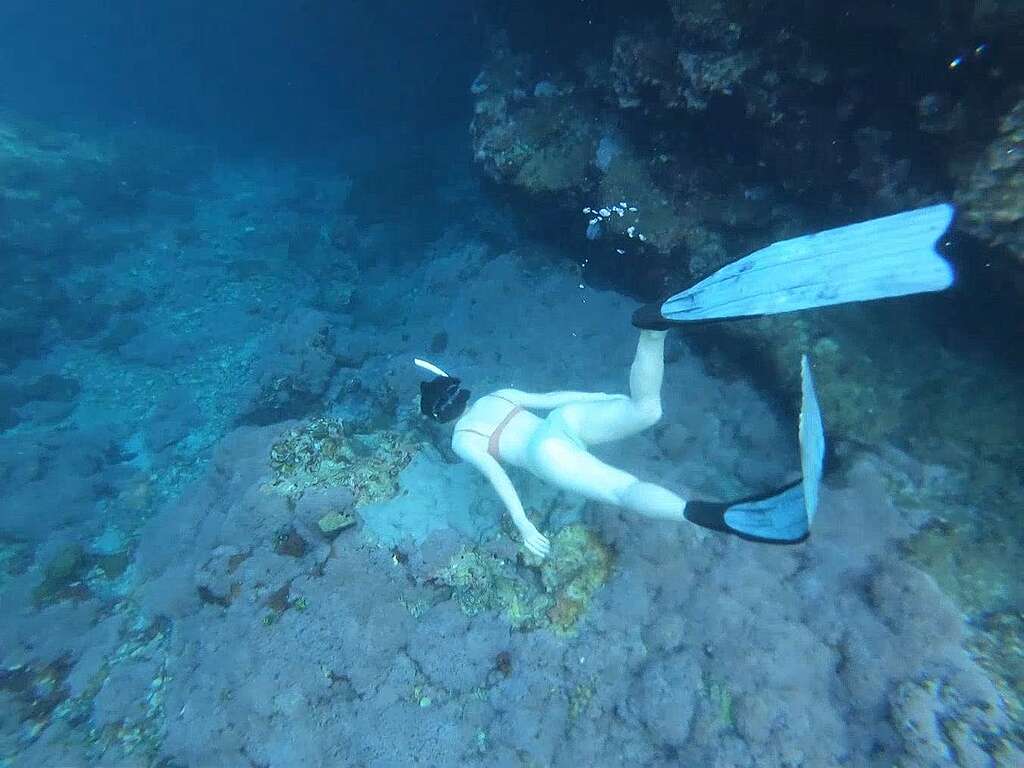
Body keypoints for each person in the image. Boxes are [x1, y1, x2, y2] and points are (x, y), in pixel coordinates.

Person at [417, 317, 814, 559]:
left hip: (546, 452)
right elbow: (552, 398)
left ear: (439, 419)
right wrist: (598, 398)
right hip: (561, 421)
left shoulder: (462, 440)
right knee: (646, 409)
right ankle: (653, 332)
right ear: (461, 393)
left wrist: (523, 525)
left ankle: (711, 515)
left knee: (625, 491)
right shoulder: (495, 395)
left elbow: (497, 477)